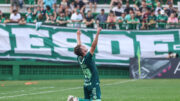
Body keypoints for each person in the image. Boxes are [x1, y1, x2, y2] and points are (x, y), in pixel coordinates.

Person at [67, 27, 102, 101]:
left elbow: (79, 46)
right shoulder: (87, 58)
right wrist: (97, 33)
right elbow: (93, 46)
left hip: (86, 84)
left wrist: (78, 36)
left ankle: (75, 99)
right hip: (93, 83)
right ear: (83, 51)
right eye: (82, 47)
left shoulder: (79, 58)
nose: (83, 46)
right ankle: (76, 99)